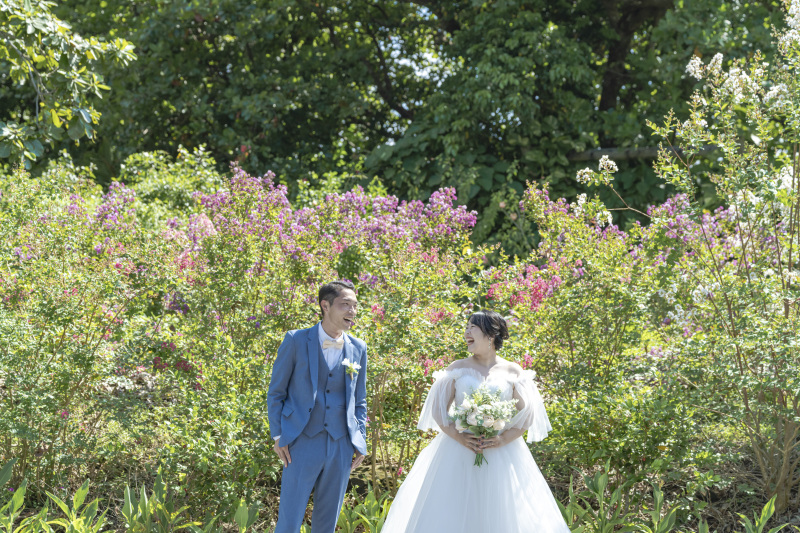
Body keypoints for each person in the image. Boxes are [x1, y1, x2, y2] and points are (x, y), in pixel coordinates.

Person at [381, 310, 571, 533]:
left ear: (491, 335)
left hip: (502, 452)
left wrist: (502, 439)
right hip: (458, 450)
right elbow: (438, 409)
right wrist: (459, 436)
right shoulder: (457, 368)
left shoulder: (512, 370)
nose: (466, 331)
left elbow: (528, 413)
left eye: (473, 327)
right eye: (466, 327)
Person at [267, 280, 368, 533]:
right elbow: (276, 392)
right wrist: (278, 434)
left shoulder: (358, 348)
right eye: (345, 305)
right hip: (300, 441)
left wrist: (360, 440)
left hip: (341, 444)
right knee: (289, 520)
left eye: (355, 306)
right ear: (325, 305)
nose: (352, 311)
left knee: (327, 523)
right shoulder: (296, 340)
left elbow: (360, 400)